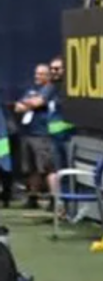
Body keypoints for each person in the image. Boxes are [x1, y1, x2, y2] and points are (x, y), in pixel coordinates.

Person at [14, 65, 57, 210]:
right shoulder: (32, 90)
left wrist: (30, 103)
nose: (37, 76)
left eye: (41, 74)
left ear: (48, 76)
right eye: (36, 73)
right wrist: (29, 103)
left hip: (42, 134)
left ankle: (54, 200)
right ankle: (33, 198)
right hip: (27, 133)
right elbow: (18, 107)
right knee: (30, 169)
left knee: (46, 168)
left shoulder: (50, 88)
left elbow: (37, 102)